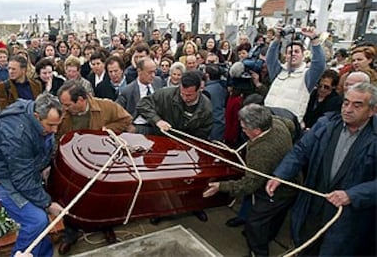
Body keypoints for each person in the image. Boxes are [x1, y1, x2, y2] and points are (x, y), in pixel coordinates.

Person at [266, 82, 377, 256]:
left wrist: (352, 195)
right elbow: (301, 150)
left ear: (372, 110)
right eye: (346, 102)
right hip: (313, 207)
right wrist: (280, 175)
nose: (348, 109)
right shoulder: (325, 125)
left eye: (357, 105)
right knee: (305, 246)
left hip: (349, 217)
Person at [204, 104, 300, 256]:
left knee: (255, 223)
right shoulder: (276, 122)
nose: (242, 130)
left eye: (244, 128)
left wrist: (221, 186)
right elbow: (291, 125)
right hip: (293, 181)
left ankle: (258, 253)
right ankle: (269, 236)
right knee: (277, 216)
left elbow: (249, 185)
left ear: (256, 130)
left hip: (277, 191)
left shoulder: (261, 152)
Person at [0, 93, 64, 257]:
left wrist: (45, 166)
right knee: (36, 221)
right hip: (1, 179)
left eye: (57, 125)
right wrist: (48, 204)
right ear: (36, 116)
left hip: (24, 172)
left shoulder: (36, 113)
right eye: (51, 125)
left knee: (41, 222)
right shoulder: (15, 135)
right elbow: (22, 179)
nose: (55, 130)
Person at [56, 80, 133, 254]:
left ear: (82, 100)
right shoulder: (62, 112)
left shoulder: (106, 106)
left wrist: (107, 130)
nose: (64, 108)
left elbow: (126, 119)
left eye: (68, 104)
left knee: (103, 197)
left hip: (100, 162)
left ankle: (106, 226)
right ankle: (71, 232)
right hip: (72, 165)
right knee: (70, 197)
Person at [137, 70, 213, 223]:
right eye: (182, 93)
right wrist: (157, 120)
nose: (184, 97)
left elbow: (204, 133)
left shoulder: (206, 108)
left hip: (189, 149)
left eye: (189, 95)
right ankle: (160, 211)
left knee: (192, 179)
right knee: (162, 179)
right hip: (164, 144)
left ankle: (194, 206)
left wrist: (188, 145)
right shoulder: (166, 94)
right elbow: (143, 104)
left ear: (200, 89)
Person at [264, 27, 326, 123]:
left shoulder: (307, 76)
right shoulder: (278, 71)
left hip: (289, 123)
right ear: (285, 56)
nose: (293, 54)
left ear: (303, 55)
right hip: (268, 119)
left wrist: (314, 39)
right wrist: (277, 38)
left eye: (297, 52)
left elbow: (319, 64)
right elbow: (270, 58)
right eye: (289, 52)